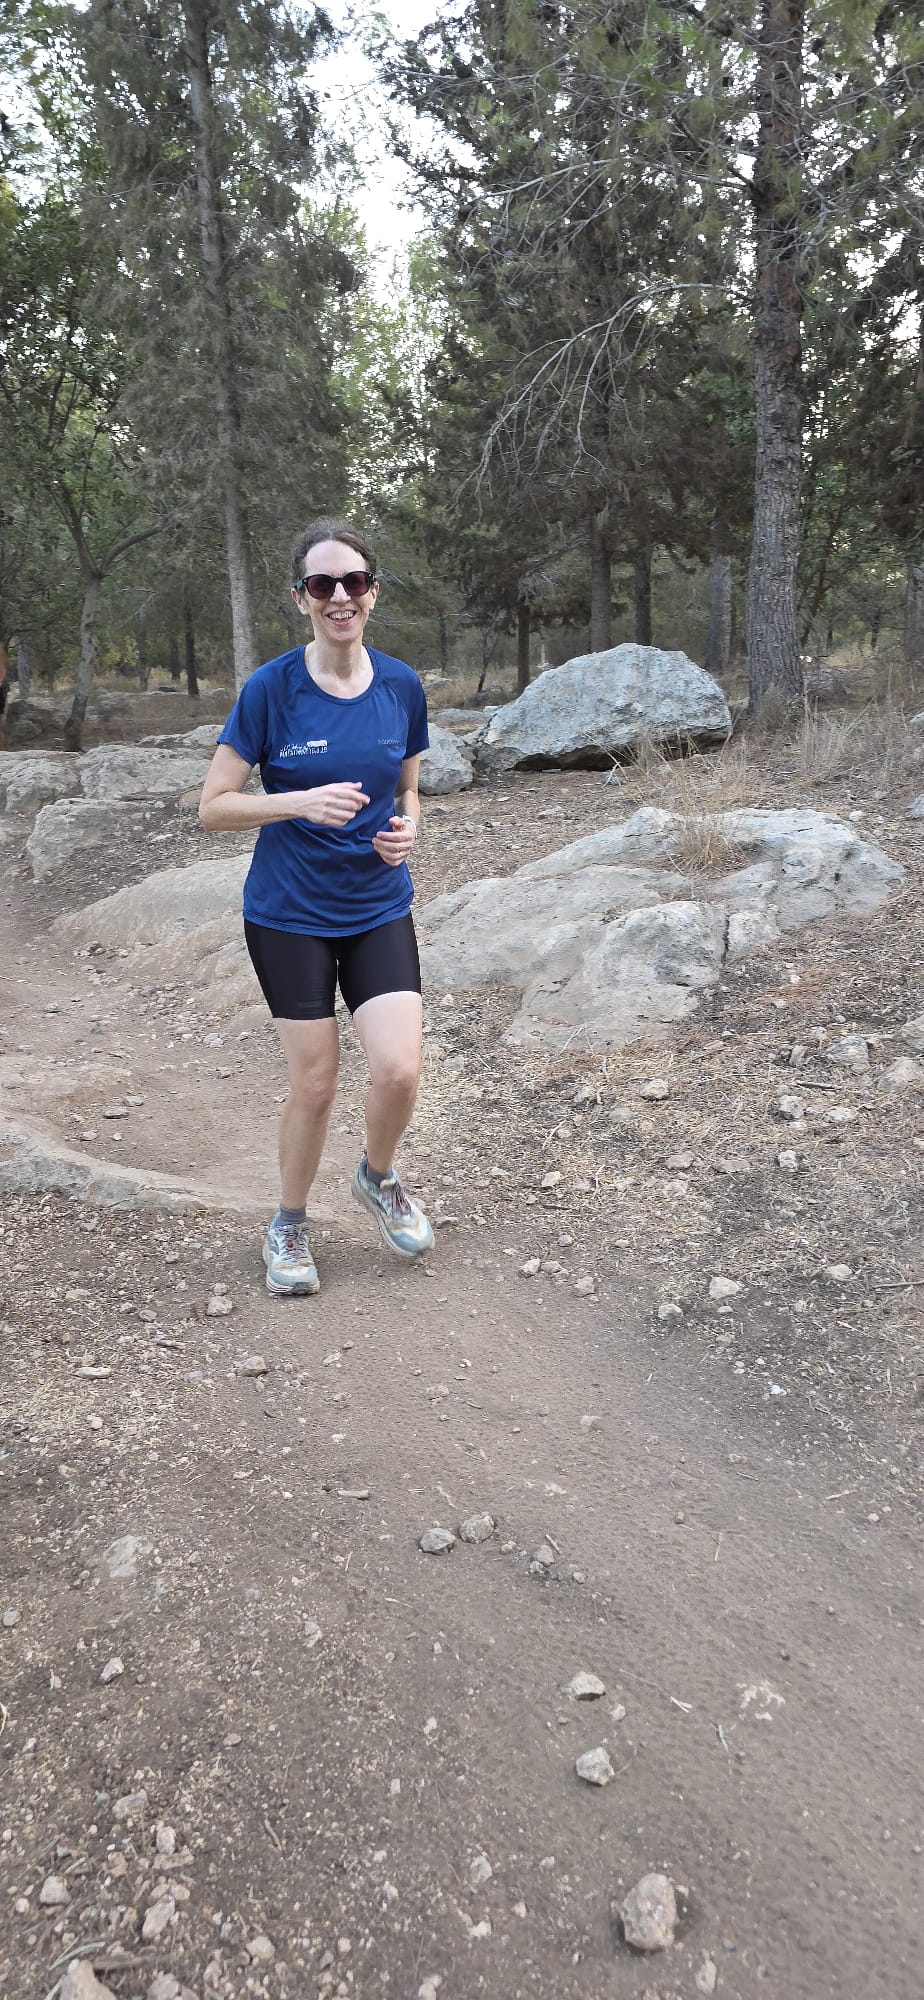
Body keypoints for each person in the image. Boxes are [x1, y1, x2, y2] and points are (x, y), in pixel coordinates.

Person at [198, 517, 434, 1296]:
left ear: (373, 592)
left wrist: (407, 830)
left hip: (377, 904)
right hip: (289, 914)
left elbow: (408, 786)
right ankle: (289, 1223)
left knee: (398, 1071)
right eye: (322, 584)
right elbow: (213, 807)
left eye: (353, 581)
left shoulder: (400, 685)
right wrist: (297, 803)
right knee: (317, 1083)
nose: (340, 596)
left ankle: (377, 1176)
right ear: (300, 598)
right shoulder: (271, 690)